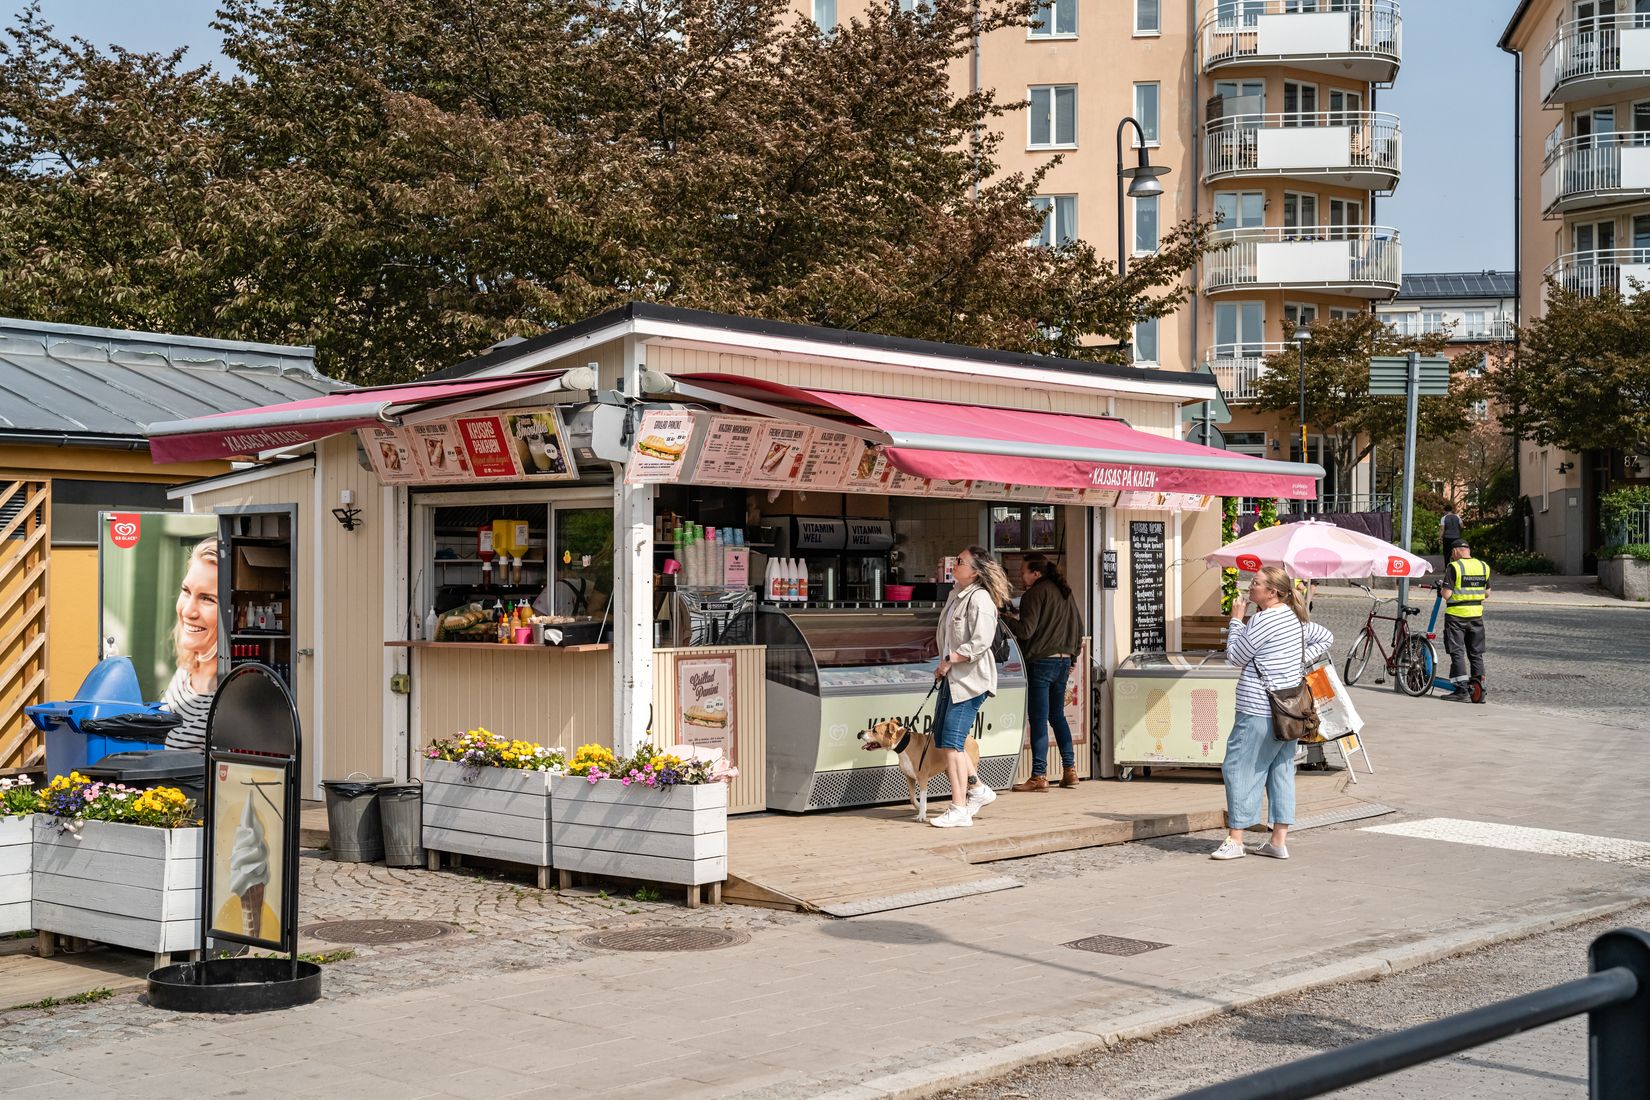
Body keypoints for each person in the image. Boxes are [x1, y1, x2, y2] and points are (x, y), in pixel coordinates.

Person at [1212, 565, 1333, 861]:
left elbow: (1235, 657)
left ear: (1271, 592)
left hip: (1258, 707)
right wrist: (1295, 661)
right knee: (1280, 771)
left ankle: (1236, 838)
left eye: (1256, 583)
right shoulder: (1294, 618)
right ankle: (1278, 840)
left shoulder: (1263, 620)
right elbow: (1326, 637)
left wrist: (1236, 621)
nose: (1249, 587)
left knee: (1238, 768)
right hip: (1289, 710)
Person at [928, 545, 1010, 828]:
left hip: (971, 681)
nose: (955, 564)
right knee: (950, 738)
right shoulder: (956, 595)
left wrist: (950, 659)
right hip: (954, 679)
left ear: (975, 571)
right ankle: (977, 789)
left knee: (951, 743)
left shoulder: (980, 600)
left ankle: (959, 807)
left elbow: (980, 642)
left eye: (960, 561)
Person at [1007, 553, 1084, 791]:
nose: (1021, 576)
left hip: (1041, 662)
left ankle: (1039, 776)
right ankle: (1070, 770)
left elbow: (1026, 630)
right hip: (1062, 662)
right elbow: (1079, 629)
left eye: (1023, 572)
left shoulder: (1034, 594)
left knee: (1038, 719)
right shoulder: (1065, 592)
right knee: (1056, 716)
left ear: (1036, 573)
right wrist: (1071, 656)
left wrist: (1005, 619)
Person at [163, 537, 222, 750]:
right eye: (186, 591)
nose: (188, 610)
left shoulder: (227, 698)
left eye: (208, 599)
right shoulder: (186, 669)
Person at [1439, 540, 1491, 702]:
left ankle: (1461, 689)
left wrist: (1442, 589)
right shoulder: (1483, 566)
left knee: (1457, 652)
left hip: (1456, 615)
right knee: (1476, 653)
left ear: (1456, 551)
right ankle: (1478, 689)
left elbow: (1447, 594)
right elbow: (1487, 593)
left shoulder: (1454, 567)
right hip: (1476, 615)